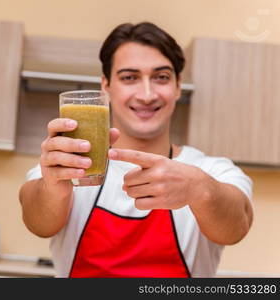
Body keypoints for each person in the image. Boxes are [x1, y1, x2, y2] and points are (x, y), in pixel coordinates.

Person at [19, 22, 253, 278]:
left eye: (161, 77)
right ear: (106, 86)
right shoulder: (69, 167)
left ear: (177, 86)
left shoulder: (211, 170)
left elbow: (237, 227)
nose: (147, 94)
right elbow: (36, 221)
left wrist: (199, 188)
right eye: (129, 77)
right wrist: (53, 187)